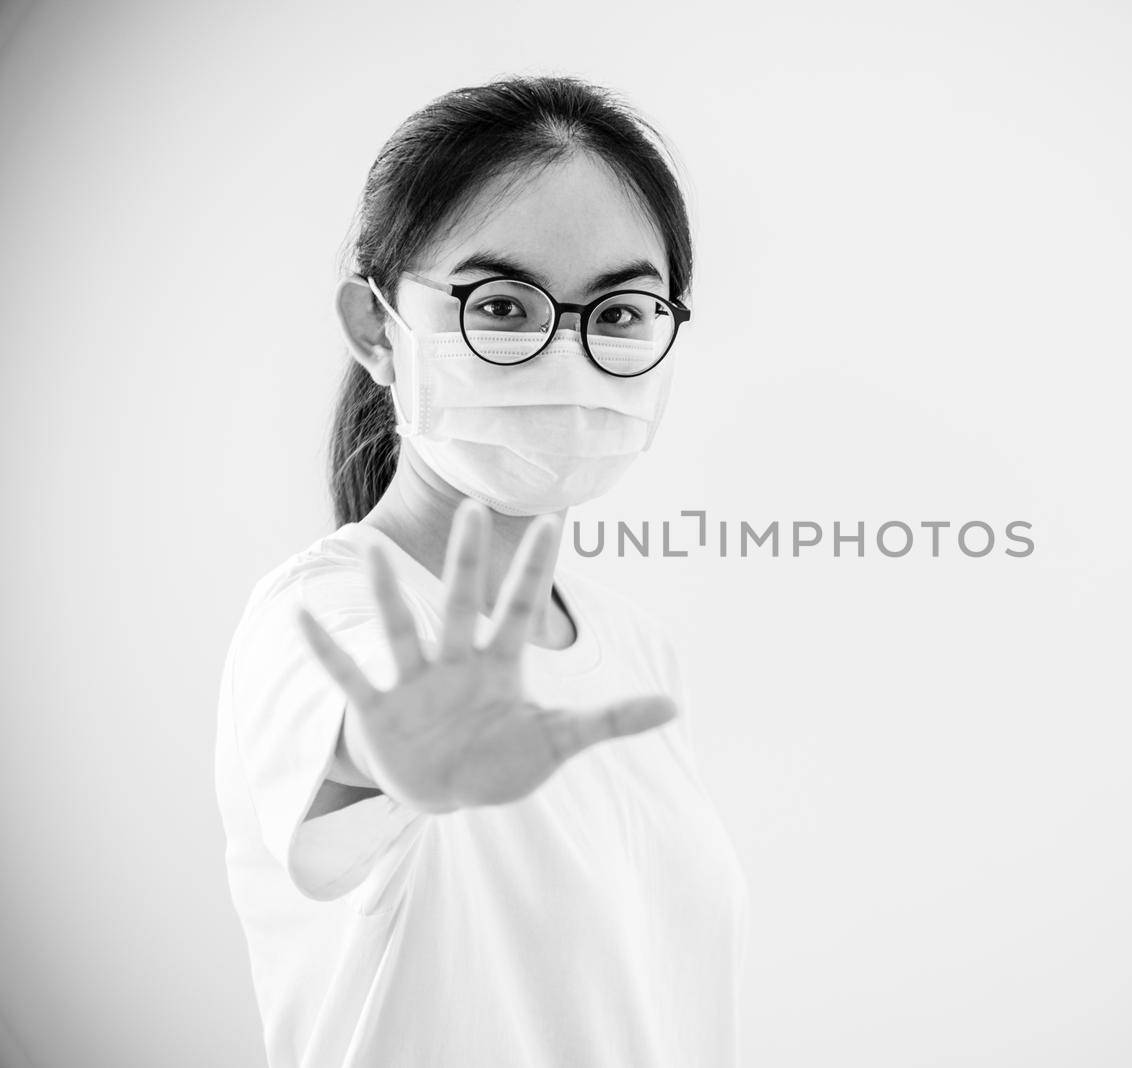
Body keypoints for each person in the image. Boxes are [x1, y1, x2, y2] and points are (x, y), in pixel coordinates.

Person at [213, 75, 750, 1068]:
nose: (568, 357)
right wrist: (393, 754)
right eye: (502, 305)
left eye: (622, 311)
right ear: (377, 331)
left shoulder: (637, 652)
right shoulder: (319, 619)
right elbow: (360, 740)